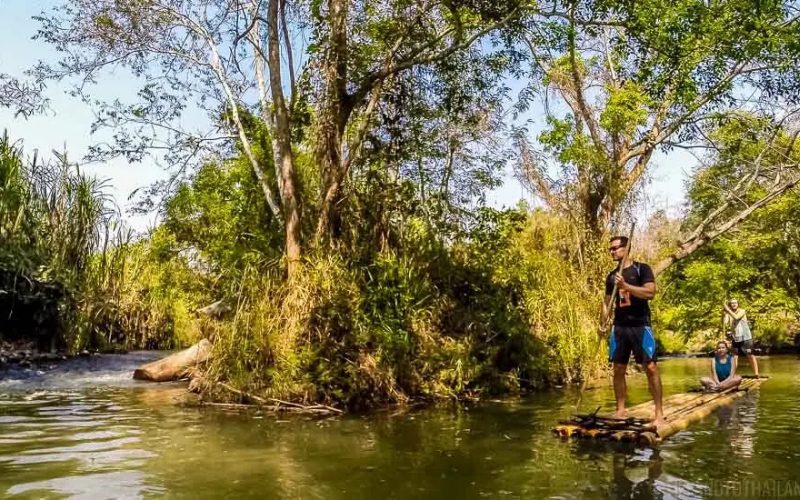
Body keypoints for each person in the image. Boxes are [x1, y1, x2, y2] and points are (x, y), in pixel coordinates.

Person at [600, 235, 665, 427]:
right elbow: (606, 303)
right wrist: (602, 323)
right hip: (619, 327)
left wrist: (625, 286)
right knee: (618, 369)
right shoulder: (611, 276)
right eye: (610, 249)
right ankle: (621, 410)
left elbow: (650, 293)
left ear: (626, 248)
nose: (612, 252)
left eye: (615, 248)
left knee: (651, 368)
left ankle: (659, 413)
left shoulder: (641, 269)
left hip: (640, 325)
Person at [723, 299, 760, 377]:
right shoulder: (730, 313)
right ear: (730, 305)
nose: (734, 304)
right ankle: (732, 375)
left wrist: (728, 310)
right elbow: (725, 323)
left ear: (738, 304)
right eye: (732, 303)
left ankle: (756, 374)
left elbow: (736, 317)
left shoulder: (742, 311)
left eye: (735, 303)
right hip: (735, 338)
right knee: (734, 357)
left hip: (746, 338)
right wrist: (725, 313)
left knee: (750, 355)